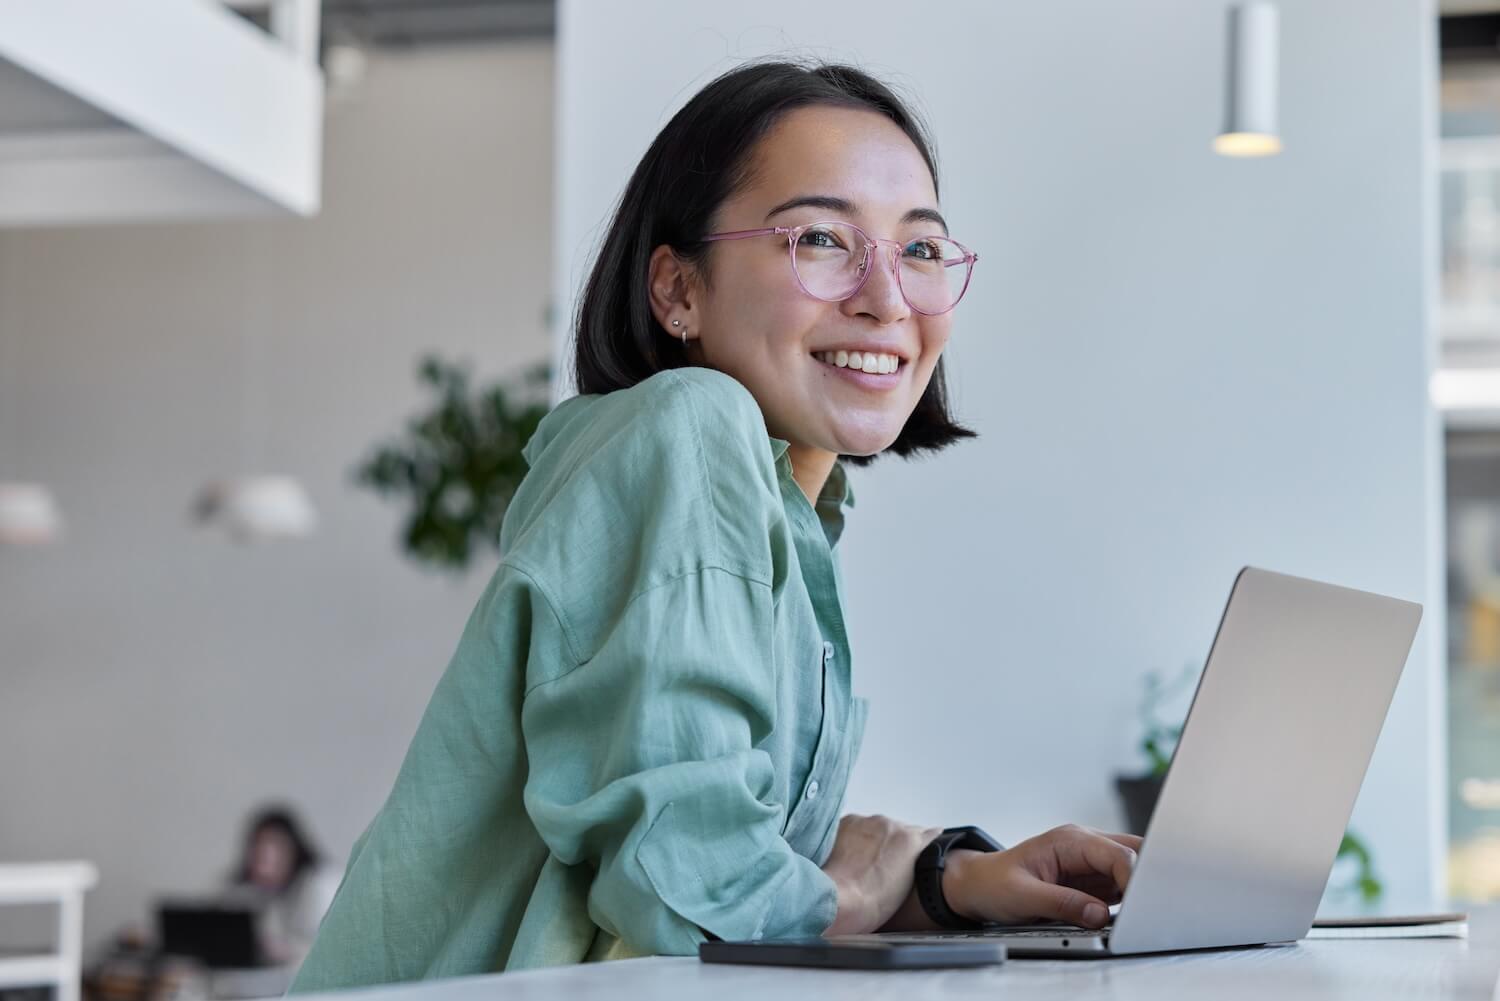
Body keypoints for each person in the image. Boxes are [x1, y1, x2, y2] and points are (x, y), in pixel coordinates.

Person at [289, 59, 1141, 991]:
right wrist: (858, 889)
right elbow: (691, 893)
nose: (887, 298)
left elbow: (732, 866)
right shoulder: (688, 427)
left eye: (922, 250)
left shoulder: (791, 510)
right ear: (677, 291)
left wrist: (949, 879)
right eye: (821, 237)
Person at [219, 806, 339, 968]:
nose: (264, 866)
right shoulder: (263, 892)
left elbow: (331, 950)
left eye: (274, 852)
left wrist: (287, 951)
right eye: (259, 854)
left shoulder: (321, 885)